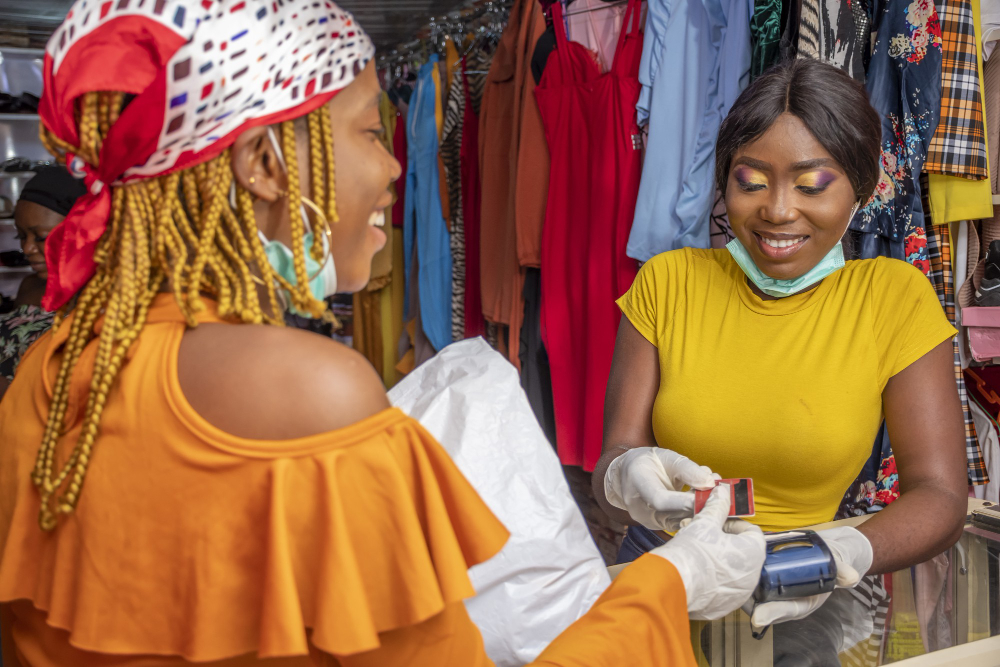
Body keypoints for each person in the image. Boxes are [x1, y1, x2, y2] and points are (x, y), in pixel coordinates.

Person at [0, 2, 765, 665]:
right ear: (262, 165)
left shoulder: (55, 365)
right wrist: (671, 582)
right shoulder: (312, 390)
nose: (398, 166)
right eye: (369, 132)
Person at [595, 57, 968, 633]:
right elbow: (613, 460)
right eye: (751, 182)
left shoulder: (894, 299)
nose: (777, 210)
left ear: (861, 190)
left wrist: (833, 555)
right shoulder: (667, 282)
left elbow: (941, 494)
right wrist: (624, 475)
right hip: (662, 576)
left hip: (806, 585)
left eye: (812, 185)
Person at [0, 167, 86, 398]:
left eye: (41, 237)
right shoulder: (30, 286)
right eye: (21, 235)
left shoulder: (109, 300)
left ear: (83, 232)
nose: (26, 248)